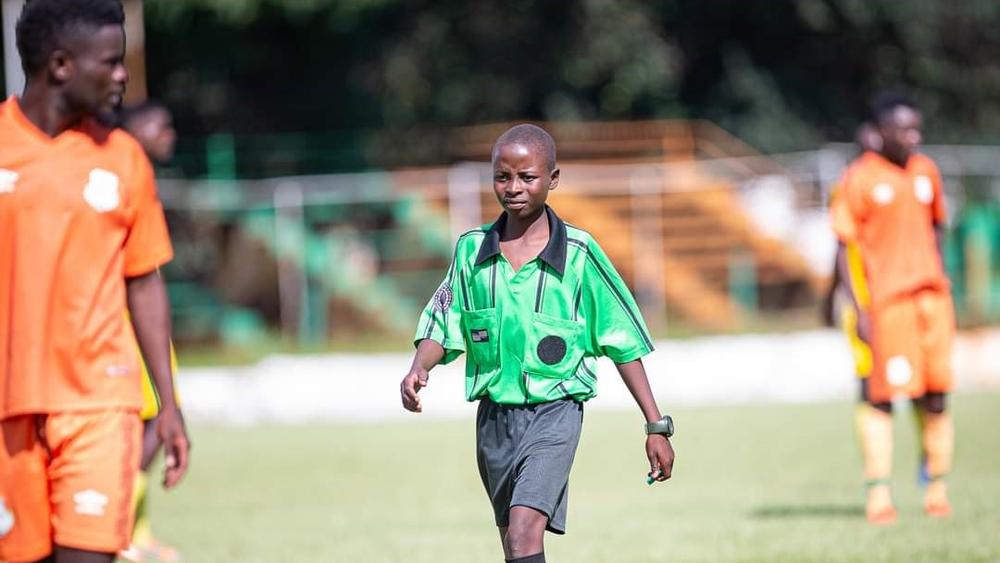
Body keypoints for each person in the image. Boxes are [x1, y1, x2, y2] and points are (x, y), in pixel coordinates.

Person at [400, 124, 675, 563]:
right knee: (515, 543)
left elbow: (622, 341)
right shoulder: (471, 252)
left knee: (526, 530)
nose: (513, 188)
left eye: (527, 177)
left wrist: (655, 425)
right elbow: (444, 317)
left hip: (556, 413)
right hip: (493, 421)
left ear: (553, 179)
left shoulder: (581, 254)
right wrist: (420, 367)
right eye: (502, 177)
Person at [0, 2, 190, 562]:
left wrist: (170, 404)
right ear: (61, 65)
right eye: (109, 62)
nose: (122, 75)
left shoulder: (124, 159)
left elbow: (145, 281)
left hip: (100, 404)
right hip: (9, 408)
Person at [830, 92, 955, 524]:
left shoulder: (926, 172)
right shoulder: (859, 179)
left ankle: (936, 486)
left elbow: (938, 225)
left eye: (916, 127)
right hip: (887, 306)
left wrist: (935, 270)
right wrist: (858, 308)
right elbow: (844, 249)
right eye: (904, 129)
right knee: (881, 396)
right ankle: (879, 495)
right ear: (881, 133)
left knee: (936, 394)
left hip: (933, 302)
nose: (914, 136)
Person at [117, 101, 182, 563]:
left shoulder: (138, 174)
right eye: (158, 125)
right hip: (125, 325)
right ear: (131, 130)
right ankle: (116, 524)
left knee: (156, 421)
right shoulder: (118, 170)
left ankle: (136, 531)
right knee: (151, 425)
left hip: (146, 322)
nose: (168, 133)